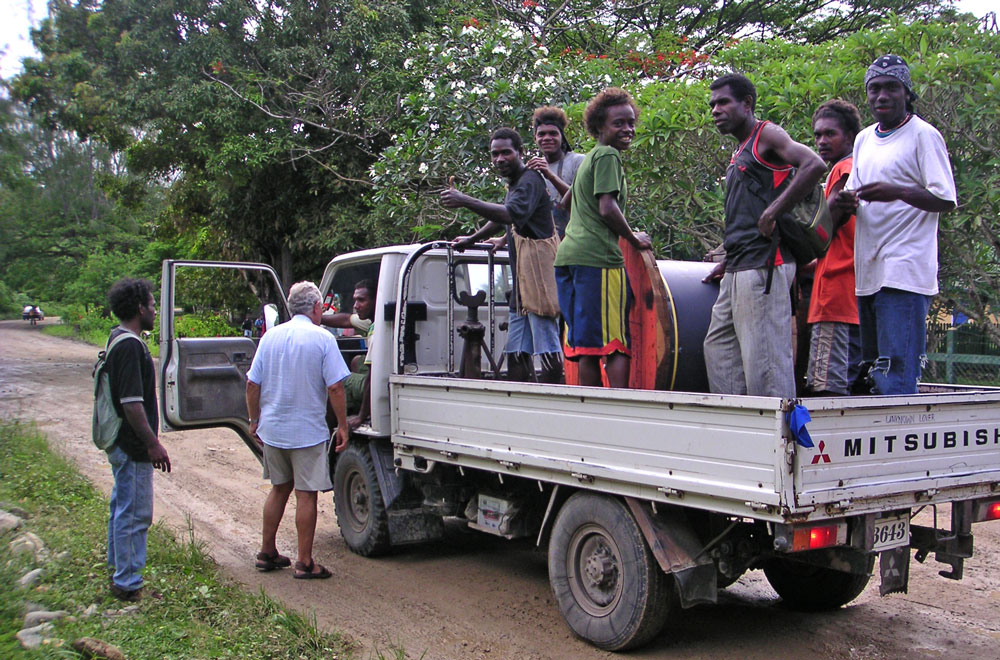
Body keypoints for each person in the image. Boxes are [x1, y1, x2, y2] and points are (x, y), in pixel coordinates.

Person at [833, 54, 956, 395]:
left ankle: (901, 442)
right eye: (874, 89)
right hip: (869, 268)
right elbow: (856, 193)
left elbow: (945, 198)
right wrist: (847, 202)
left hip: (905, 270)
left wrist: (897, 191)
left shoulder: (923, 136)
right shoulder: (864, 139)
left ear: (907, 93)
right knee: (872, 371)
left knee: (896, 372)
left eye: (891, 88)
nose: (881, 96)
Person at [701, 73, 826, 398]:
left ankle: (778, 440)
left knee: (766, 367)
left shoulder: (766, 134)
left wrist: (774, 212)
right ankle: (738, 436)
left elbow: (813, 163)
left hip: (766, 266)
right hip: (740, 266)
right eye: (712, 104)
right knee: (720, 351)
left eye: (723, 102)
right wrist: (727, 260)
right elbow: (746, 214)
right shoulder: (741, 150)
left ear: (747, 104)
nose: (716, 109)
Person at [442, 127, 564, 384]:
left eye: (506, 152)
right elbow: (504, 218)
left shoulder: (530, 180)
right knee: (517, 349)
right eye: (495, 154)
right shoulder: (516, 184)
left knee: (547, 347)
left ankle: (557, 404)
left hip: (539, 277)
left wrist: (464, 199)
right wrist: (471, 240)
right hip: (522, 283)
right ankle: (520, 403)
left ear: (520, 153)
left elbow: (509, 215)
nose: (499, 159)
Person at [246, 281, 350, 579]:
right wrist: (342, 425)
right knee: (306, 494)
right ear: (317, 308)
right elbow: (335, 387)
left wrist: (255, 421)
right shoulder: (322, 339)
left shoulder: (270, 338)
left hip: (274, 430)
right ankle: (304, 562)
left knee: (279, 488)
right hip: (307, 432)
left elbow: (252, 384)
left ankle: (267, 552)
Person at [554, 87, 651, 388]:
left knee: (587, 346)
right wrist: (633, 238)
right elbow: (607, 208)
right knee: (615, 341)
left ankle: (590, 416)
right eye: (619, 123)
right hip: (598, 259)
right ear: (599, 127)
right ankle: (619, 411)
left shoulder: (589, 160)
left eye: (631, 122)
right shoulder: (607, 156)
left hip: (568, 258)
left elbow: (566, 201)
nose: (628, 129)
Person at [104, 278, 171, 602]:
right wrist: (152, 443)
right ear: (140, 308)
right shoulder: (131, 345)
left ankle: (119, 568)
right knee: (135, 513)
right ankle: (128, 584)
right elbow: (132, 403)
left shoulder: (118, 338)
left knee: (122, 506)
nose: (156, 311)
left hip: (121, 442)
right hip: (131, 444)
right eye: (153, 305)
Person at [805, 99, 864, 396]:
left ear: (850, 137)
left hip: (835, 295)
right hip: (856, 296)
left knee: (827, 387)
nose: (822, 141)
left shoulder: (844, 169)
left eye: (830, 134)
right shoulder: (862, 168)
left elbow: (821, 227)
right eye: (817, 135)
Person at [321, 279, 376, 426]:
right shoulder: (374, 320)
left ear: (376, 300)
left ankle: (333, 431)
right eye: (355, 300)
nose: (355, 306)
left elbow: (373, 377)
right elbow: (346, 319)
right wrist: (318, 318)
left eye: (361, 300)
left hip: (380, 382)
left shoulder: (377, 331)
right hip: (383, 376)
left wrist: (361, 416)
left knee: (337, 381)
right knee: (356, 360)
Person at [526, 106, 586, 239]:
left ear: (562, 137)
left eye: (553, 133)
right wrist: (503, 239)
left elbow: (582, 202)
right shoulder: (534, 168)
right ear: (535, 138)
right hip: (545, 244)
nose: (547, 138)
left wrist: (550, 175)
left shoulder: (579, 162)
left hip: (576, 242)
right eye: (541, 134)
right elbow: (523, 212)